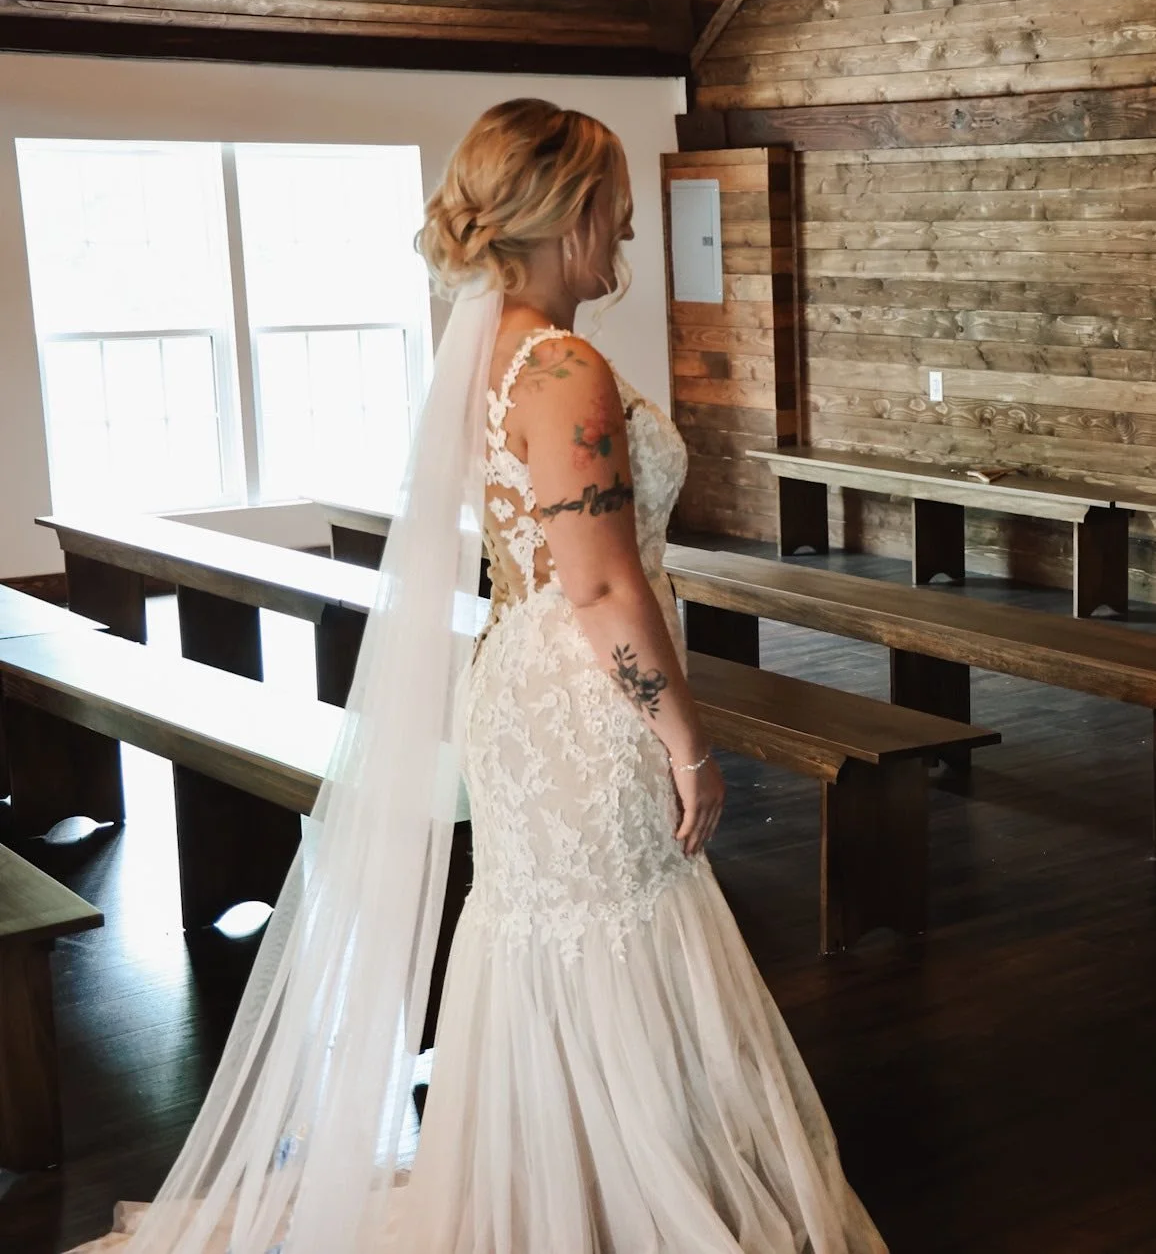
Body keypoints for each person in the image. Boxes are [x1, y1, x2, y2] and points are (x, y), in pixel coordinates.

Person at [71, 99, 885, 1252]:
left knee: (551, 937)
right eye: (613, 212)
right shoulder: (559, 367)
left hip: (521, 681)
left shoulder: (486, 350)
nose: (626, 238)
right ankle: (611, 1201)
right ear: (564, 214)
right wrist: (688, 740)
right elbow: (602, 587)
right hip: (584, 701)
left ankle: (566, 1194)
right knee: (610, 930)